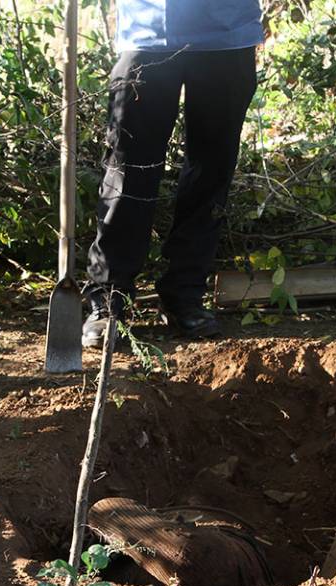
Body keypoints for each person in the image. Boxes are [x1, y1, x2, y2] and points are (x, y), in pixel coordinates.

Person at [81, 0, 264, 346]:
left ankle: (185, 294)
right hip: (147, 35)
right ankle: (109, 296)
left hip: (228, 34)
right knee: (129, 170)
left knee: (211, 171)